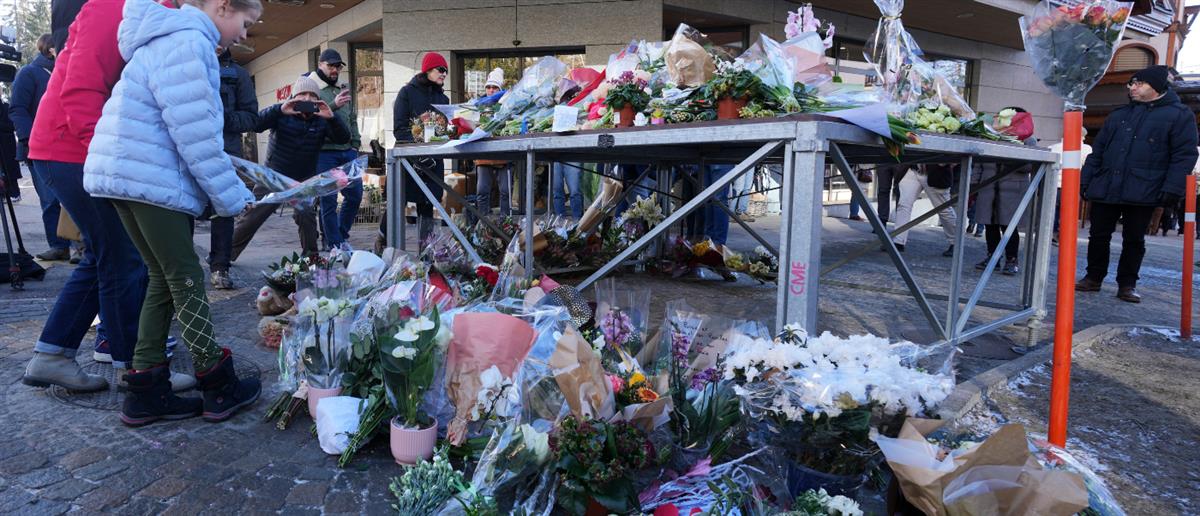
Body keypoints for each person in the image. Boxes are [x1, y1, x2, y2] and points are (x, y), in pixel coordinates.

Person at [84, 0, 263, 426]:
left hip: (126, 175)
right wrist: (234, 197)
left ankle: (145, 389)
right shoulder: (189, 42)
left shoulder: (165, 38)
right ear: (223, 6)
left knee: (163, 277)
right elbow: (196, 135)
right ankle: (216, 382)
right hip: (149, 178)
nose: (244, 35)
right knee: (185, 276)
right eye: (245, 22)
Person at [21, 0, 161, 394]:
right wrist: (108, 158)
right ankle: (136, 369)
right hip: (71, 149)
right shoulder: (114, 7)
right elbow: (81, 90)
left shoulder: (143, 11)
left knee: (106, 254)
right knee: (123, 256)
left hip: (72, 148)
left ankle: (52, 354)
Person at [1077, 65, 1199, 303]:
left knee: (1134, 239)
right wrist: (1086, 179)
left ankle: (1127, 284)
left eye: (1138, 83)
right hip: (1107, 184)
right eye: (1131, 83)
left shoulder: (1179, 115)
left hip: (1145, 187)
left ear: (1157, 87)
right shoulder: (1119, 114)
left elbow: (1184, 155)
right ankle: (1093, 277)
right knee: (1098, 234)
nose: (1132, 87)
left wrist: (1172, 188)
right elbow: (1098, 151)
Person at [231, 75, 351, 260]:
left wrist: (332, 117)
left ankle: (311, 259)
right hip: (273, 176)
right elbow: (256, 124)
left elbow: (343, 138)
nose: (307, 99)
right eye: (302, 95)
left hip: (302, 179)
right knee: (253, 215)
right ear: (294, 97)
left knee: (306, 215)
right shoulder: (282, 112)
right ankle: (225, 255)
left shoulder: (321, 118)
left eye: (312, 96)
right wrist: (279, 110)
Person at [11, 34, 72, 261]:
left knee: (74, 198)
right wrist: (30, 139)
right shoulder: (29, 73)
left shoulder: (69, 69)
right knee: (50, 199)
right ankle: (58, 246)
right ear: (50, 49)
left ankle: (82, 246)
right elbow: (17, 109)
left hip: (69, 144)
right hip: (39, 148)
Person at [208, 46, 257, 289]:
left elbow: (251, 117)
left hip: (226, 151)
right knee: (182, 210)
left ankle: (220, 267)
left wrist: (224, 118)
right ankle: (180, 269)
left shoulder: (238, 74)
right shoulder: (186, 62)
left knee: (223, 209)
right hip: (186, 147)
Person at [389, 52, 449, 243]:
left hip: (433, 160)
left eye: (446, 71)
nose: (444, 73)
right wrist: (417, 151)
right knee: (398, 203)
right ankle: (384, 240)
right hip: (409, 159)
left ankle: (426, 251)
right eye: (440, 69)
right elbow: (399, 128)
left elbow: (444, 131)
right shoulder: (407, 92)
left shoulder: (444, 99)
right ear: (428, 70)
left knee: (428, 204)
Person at [308, 48, 363, 251]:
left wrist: (355, 144)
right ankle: (333, 243)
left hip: (347, 151)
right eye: (331, 66)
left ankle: (340, 236)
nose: (335, 70)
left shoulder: (342, 88)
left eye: (338, 66)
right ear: (320, 64)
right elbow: (309, 114)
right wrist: (334, 104)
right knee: (328, 200)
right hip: (324, 152)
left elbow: (352, 117)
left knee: (355, 194)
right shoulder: (311, 87)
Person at [972, 108, 1038, 276]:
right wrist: (973, 185)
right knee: (989, 225)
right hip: (988, 187)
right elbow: (979, 162)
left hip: (1012, 190)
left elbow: (1029, 166)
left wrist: (1008, 153)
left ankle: (1011, 259)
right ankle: (992, 257)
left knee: (1009, 226)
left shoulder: (1027, 139)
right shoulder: (990, 135)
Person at [890, 164, 959, 255]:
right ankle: (898, 241)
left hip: (935, 171)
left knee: (944, 210)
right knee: (903, 205)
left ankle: (956, 243)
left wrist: (943, 163)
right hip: (913, 169)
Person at [473, 69, 512, 222]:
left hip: (503, 153)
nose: (491, 90)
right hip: (483, 154)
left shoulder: (507, 104)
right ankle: (483, 224)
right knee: (482, 191)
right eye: (488, 87)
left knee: (505, 191)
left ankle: (506, 224)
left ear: (500, 89)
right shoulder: (478, 105)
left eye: (495, 87)